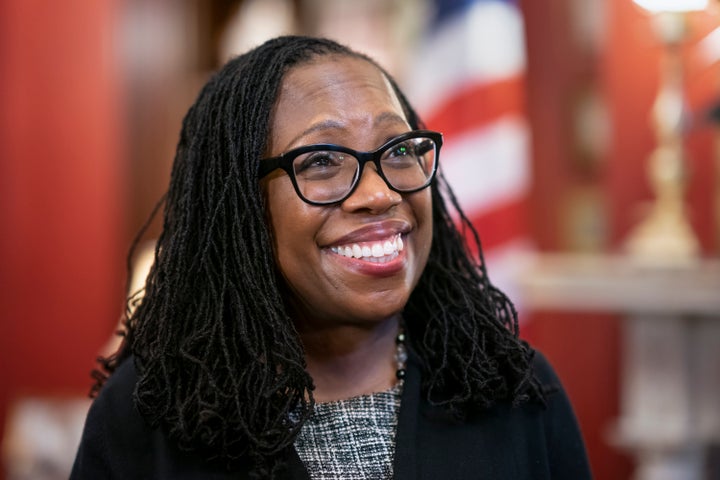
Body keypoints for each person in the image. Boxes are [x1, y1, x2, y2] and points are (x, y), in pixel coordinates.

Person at [70, 35, 591, 479]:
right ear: (239, 205)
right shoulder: (147, 417)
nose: (380, 194)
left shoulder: (514, 391)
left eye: (399, 150)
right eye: (322, 160)